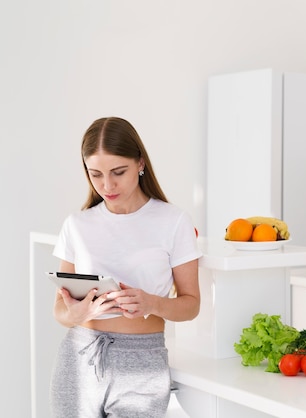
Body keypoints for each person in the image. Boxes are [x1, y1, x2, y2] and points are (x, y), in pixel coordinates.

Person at [50, 116, 203, 417]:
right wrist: (75, 313)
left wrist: (151, 302)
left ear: (140, 164)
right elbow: (59, 309)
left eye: (118, 172)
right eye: (95, 174)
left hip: (142, 362)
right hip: (80, 356)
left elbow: (191, 305)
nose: (107, 185)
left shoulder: (174, 222)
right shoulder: (77, 224)